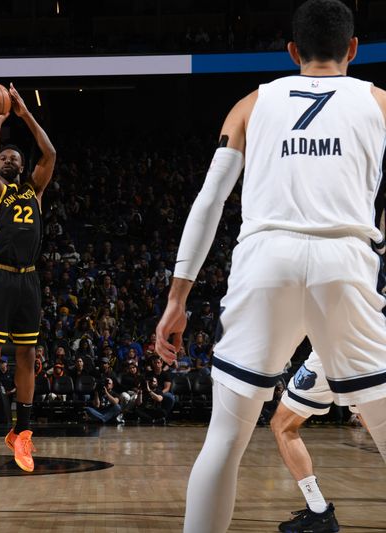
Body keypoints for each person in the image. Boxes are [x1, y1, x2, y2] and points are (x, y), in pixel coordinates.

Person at [155, 2, 386, 531]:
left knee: (225, 439)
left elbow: (209, 202)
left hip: (265, 260)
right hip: (345, 262)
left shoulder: (250, 104)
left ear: (291, 52)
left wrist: (177, 298)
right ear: (353, 49)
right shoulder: (378, 101)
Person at [0, 83, 56, 473]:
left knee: (28, 355)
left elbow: (50, 153)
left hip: (29, 280)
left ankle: (22, 433)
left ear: (22, 166)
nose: (6, 159)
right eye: (4, 156)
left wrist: (24, 114)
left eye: (13, 157)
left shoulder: (35, 192)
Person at [270, 351, 360, 532]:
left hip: (336, 346)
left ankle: (318, 510)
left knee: (283, 425)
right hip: (378, 346)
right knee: (378, 428)